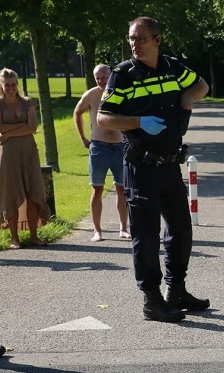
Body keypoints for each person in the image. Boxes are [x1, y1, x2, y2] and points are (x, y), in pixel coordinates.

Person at [97, 16, 210, 323]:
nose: (135, 44)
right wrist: (137, 122)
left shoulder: (173, 67)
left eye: (141, 39)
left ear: (157, 40)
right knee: (146, 236)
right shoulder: (122, 74)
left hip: (170, 164)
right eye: (132, 39)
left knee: (180, 229)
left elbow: (202, 85)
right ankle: (152, 300)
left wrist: (188, 94)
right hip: (141, 165)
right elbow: (104, 118)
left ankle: (177, 290)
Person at [0, 68, 51, 250]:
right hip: (8, 155)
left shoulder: (27, 102)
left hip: (29, 152)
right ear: (1, 84)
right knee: (11, 194)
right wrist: (19, 127)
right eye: (7, 84)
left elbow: (32, 127)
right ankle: (14, 237)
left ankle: (34, 235)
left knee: (33, 192)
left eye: (13, 84)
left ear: (18, 84)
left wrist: (9, 134)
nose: (10, 88)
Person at [73, 64, 130, 242]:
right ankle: (97, 230)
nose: (101, 81)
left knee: (122, 189)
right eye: (97, 78)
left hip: (120, 145)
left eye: (104, 77)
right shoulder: (91, 94)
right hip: (99, 146)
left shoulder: (121, 92)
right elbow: (77, 112)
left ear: (110, 75)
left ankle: (123, 228)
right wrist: (83, 138)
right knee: (97, 189)